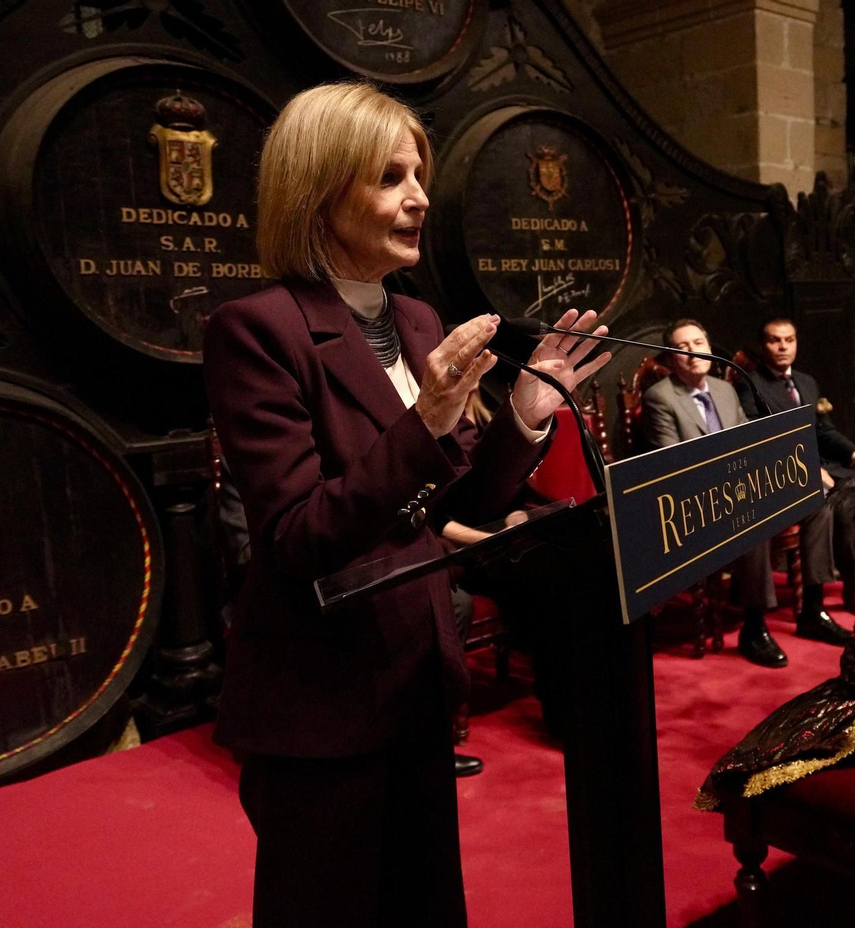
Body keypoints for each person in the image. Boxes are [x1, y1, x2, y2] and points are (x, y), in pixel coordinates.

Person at [203, 81, 610, 927]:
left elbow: (457, 500)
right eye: (390, 177)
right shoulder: (258, 330)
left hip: (420, 678)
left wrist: (525, 421)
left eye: (418, 173)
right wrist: (424, 421)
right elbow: (297, 536)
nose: (420, 196)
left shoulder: (418, 319)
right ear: (319, 191)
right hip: (322, 700)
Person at [642, 318, 795, 667]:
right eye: (682, 348)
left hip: (738, 488)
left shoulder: (724, 389)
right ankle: (754, 627)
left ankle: (812, 607)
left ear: (710, 349)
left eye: (699, 343)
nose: (693, 353)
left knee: (810, 503)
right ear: (670, 359)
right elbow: (673, 463)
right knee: (752, 522)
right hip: (693, 501)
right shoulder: (660, 397)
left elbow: (746, 442)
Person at [736, 317, 855, 621]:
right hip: (783, 471)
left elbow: (824, 431)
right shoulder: (750, 384)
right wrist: (807, 468)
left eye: (789, 340)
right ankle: (841, 588)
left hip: (820, 466)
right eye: (775, 340)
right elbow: (761, 440)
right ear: (763, 346)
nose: (783, 346)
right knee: (832, 500)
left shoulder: (806, 382)